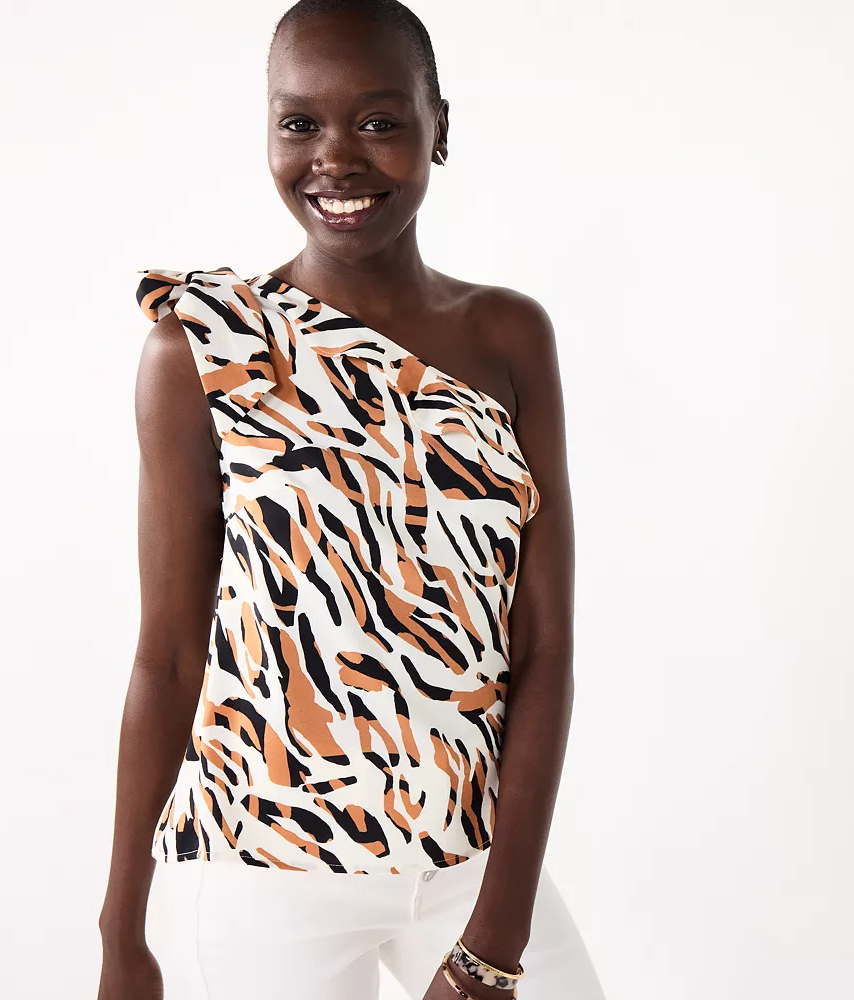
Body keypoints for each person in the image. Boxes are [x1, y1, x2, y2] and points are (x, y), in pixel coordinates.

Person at [98, 2, 606, 998]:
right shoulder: (204, 348)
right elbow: (167, 657)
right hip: (267, 872)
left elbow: (543, 647)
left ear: (438, 128)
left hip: (470, 861)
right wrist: (122, 930)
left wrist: (495, 938)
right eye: (300, 123)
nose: (335, 157)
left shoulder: (508, 337)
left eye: (378, 121)